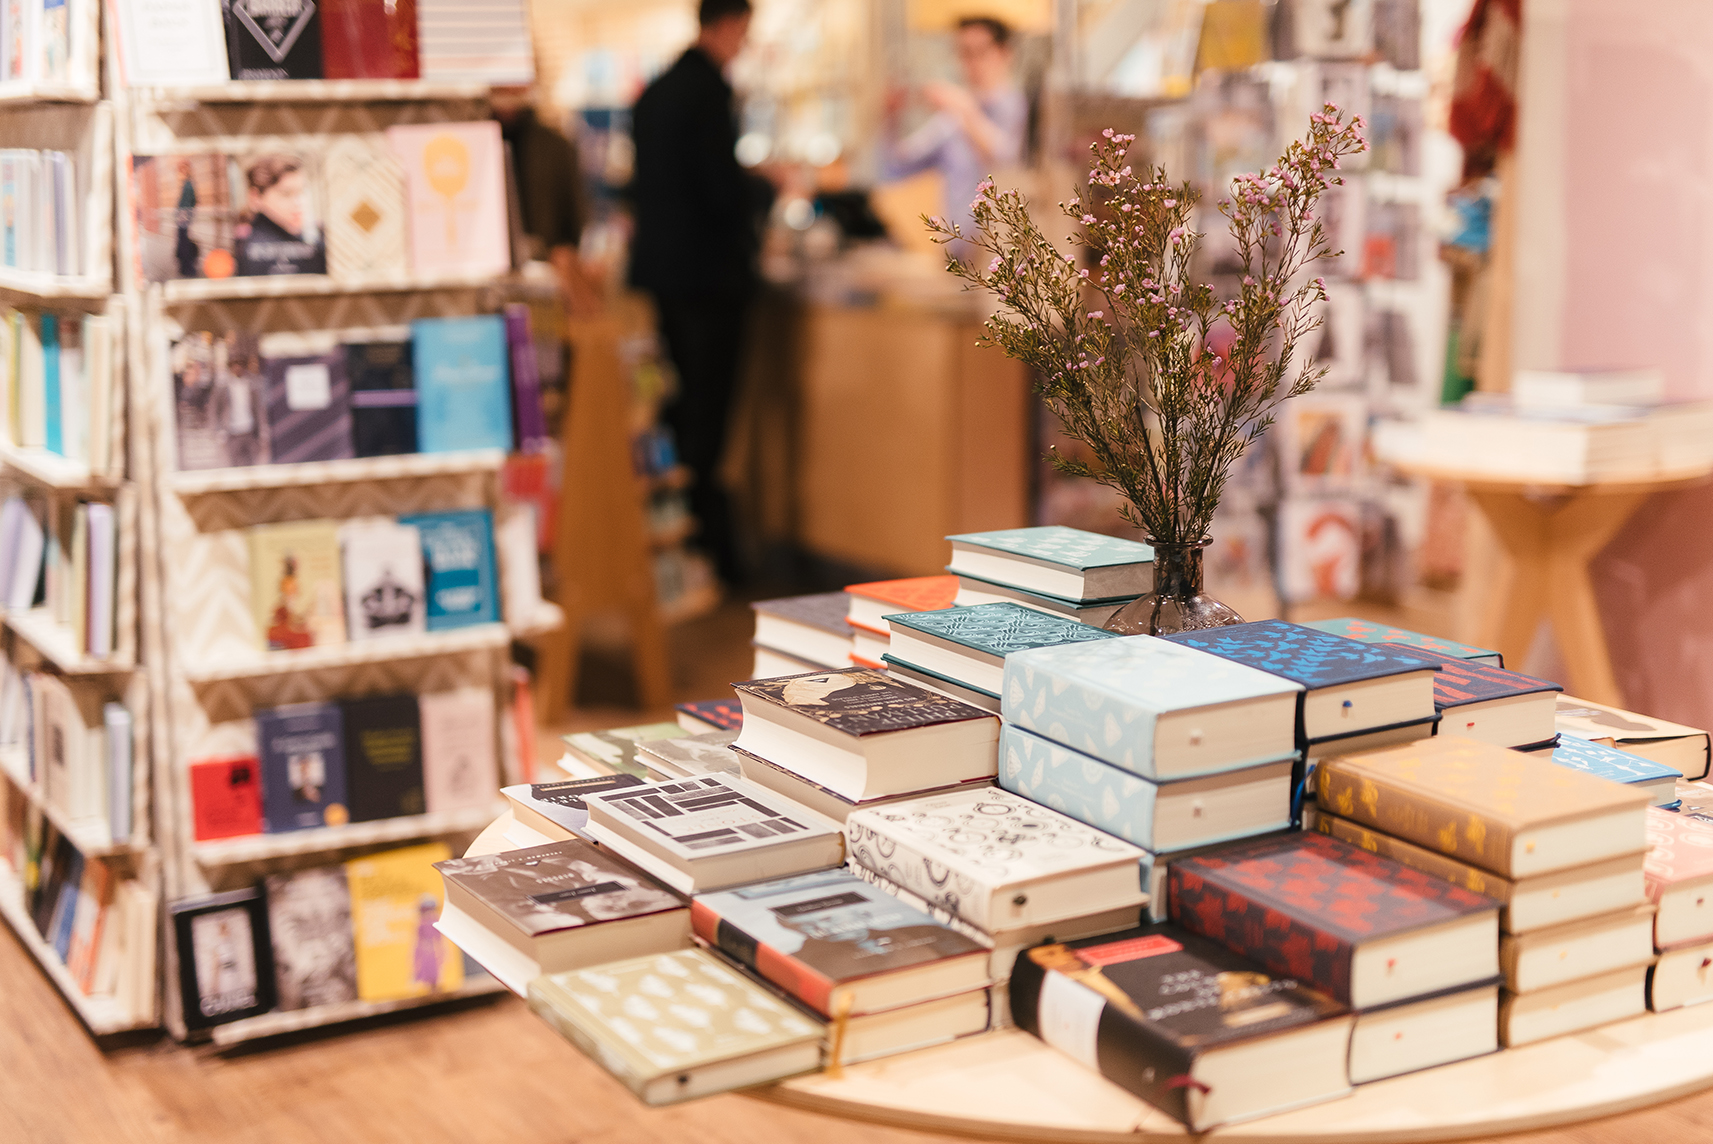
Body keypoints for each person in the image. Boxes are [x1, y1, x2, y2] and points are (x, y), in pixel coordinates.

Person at [629, 0, 775, 587]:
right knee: (708, 413)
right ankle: (711, 551)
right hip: (710, 278)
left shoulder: (655, 91)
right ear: (730, 24)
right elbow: (720, 190)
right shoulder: (709, 93)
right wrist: (759, 194)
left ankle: (676, 538)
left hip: (663, 274)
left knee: (679, 400)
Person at [883, 16, 1028, 250]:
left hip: (1009, 250)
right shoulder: (951, 119)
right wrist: (891, 118)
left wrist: (965, 110)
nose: (971, 63)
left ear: (1005, 53)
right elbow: (895, 168)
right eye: (963, 53)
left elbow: (1007, 161)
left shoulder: (1021, 108)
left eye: (979, 51)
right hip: (962, 251)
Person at [491, 85, 601, 314]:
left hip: (547, 272)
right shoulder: (475, 140)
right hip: (490, 271)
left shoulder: (555, 145)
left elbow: (575, 215)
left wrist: (565, 255)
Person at [233, 154, 326, 277]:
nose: (298, 202)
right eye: (286, 194)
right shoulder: (240, 248)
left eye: (302, 192)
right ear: (255, 198)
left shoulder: (317, 238)